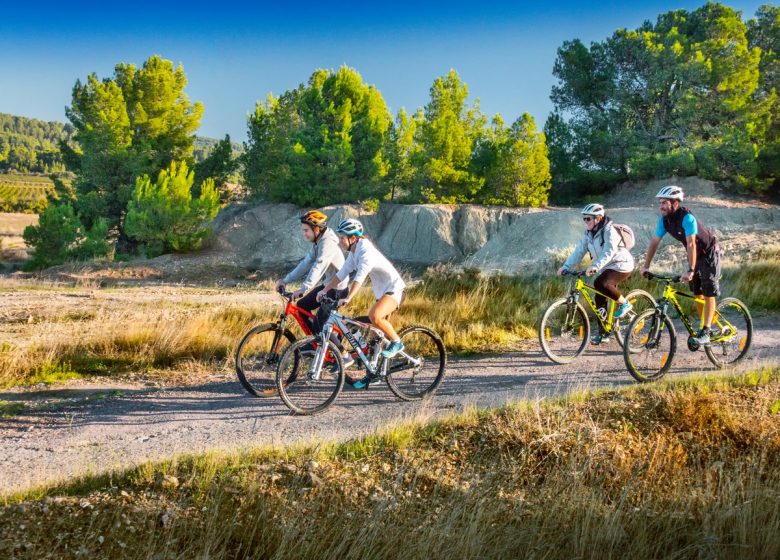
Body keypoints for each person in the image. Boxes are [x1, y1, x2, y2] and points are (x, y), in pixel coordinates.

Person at [317, 218, 406, 388]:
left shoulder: (366, 251)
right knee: (375, 336)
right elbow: (341, 274)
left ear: (353, 238)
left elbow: (360, 277)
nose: (340, 240)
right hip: (382, 292)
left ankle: (397, 342)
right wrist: (324, 290)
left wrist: (348, 297)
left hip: (395, 289)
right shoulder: (354, 251)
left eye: (342, 237)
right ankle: (373, 374)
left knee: (375, 316)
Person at [640, 185, 720, 345]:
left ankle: (706, 331)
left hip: (709, 253)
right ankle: (708, 324)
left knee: (708, 291)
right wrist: (646, 266)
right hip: (695, 255)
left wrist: (690, 269)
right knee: (697, 293)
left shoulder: (687, 218)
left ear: (675, 203)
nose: (661, 206)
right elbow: (654, 242)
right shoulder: (665, 221)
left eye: (664, 202)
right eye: (660, 203)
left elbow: (691, 244)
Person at [275, 210, 353, 367]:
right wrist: (285, 280)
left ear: (317, 229)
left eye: (306, 230)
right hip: (328, 285)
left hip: (338, 289)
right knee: (302, 306)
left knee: (320, 324)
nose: (304, 233)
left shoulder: (328, 244)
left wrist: (304, 288)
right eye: (303, 230)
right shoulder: (319, 243)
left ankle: (344, 356)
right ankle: (316, 344)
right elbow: (306, 263)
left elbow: (319, 267)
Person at [558, 203, 635, 345]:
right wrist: (566, 266)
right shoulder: (588, 234)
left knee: (600, 283)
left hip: (621, 264)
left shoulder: (609, 231)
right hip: (606, 267)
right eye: (584, 219)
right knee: (599, 297)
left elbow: (609, 251)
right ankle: (604, 332)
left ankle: (625, 304)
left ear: (598, 219)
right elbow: (579, 251)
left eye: (588, 219)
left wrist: (595, 266)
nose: (585, 222)